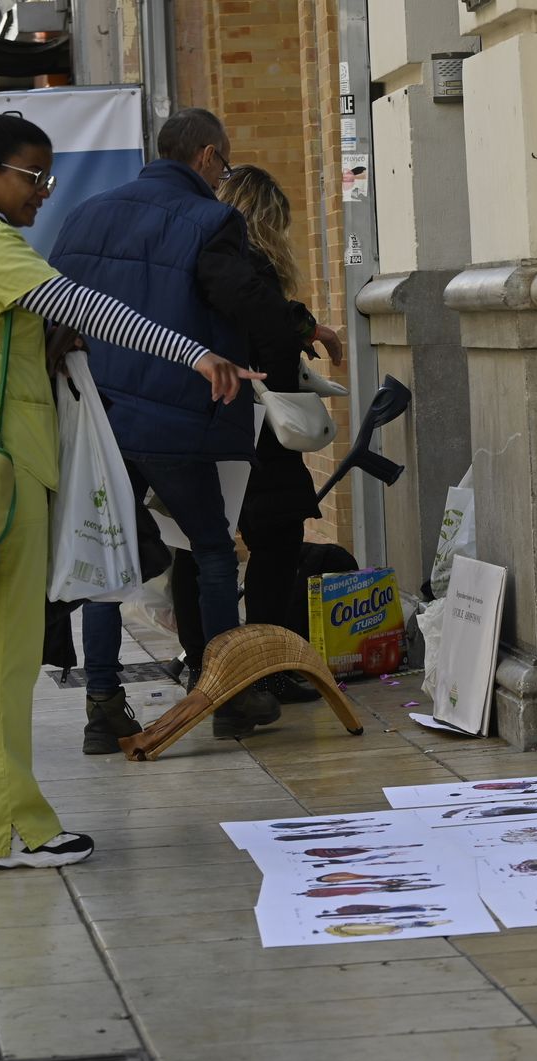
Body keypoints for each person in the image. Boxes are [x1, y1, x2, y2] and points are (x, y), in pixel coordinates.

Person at [0, 114, 253, 869]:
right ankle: (8, 830)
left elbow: (19, 340)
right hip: (4, 468)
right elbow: (90, 308)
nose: (43, 193)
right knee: (5, 656)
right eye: (33, 178)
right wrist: (196, 355)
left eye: (48, 178)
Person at [47, 109, 316, 752]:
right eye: (223, 163)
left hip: (100, 417)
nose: (223, 175)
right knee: (213, 550)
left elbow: (55, 306)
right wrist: (289, 346)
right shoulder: (211, 220)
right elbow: (246, 301)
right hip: (176, 415)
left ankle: (102, 704)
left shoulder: (85, 215)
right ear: (205, 156)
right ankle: (226, 692)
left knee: (107, 558)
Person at [211, 164, 342, 706]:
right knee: (275, 545)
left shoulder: (213, 260)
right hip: (260, 425)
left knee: (211, 549)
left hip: (218, 418)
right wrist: (301, 338)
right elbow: (271, 338)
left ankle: (211, 669)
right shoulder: (253, 266)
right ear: (267, 218)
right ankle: (263, 670)